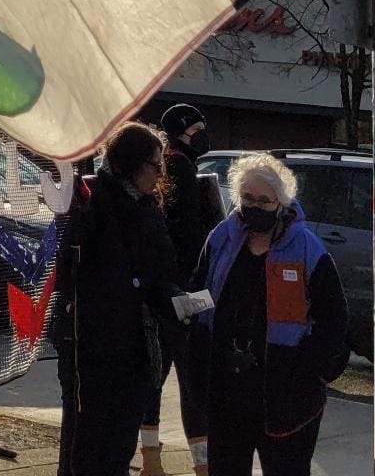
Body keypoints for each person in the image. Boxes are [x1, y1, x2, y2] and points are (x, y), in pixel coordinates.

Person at [186, 153, 348, 476]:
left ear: (281, 203)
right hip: (226, 394)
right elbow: (198, 299)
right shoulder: (221, 239)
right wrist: (196, 360)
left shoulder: (307, 249)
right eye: (247, 198)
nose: (254, 206)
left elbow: (334, 321)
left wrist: (311, 373)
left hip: (286, 399)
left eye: (264, 200)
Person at [54, 121, 185, 476]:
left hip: (136, 348)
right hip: (92, 346)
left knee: (119, 445)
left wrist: (178, 301)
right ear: (130, 162)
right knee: (86, 445)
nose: (160, 175)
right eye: (154, 166)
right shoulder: (90, 200)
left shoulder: (148, 209)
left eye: (162, 167)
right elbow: (69, 270)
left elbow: (160, 272)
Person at [140, 105, 222, 476]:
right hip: (184, 292)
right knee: (193, 382)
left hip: (160, 291)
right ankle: (202, 466)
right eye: (198, 129)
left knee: (155, 378)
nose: (203, 135)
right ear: (182, 131)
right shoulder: (182, 168)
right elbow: (189, 233)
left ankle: (151, 460)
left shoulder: (163, 165)